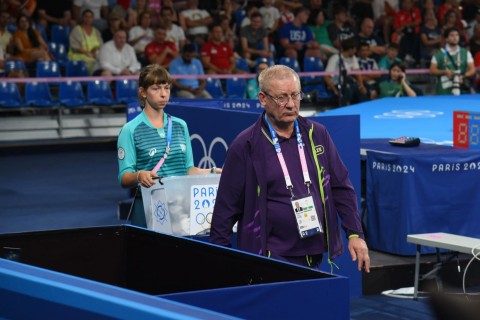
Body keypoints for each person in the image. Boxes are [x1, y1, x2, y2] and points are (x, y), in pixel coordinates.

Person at [210, 65, 370, 271]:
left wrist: (355, 234)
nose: (291, 104)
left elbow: (341, 188)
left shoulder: (316, 134)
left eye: (295, 95)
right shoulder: (246, 145)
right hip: (268, 257)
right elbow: (226, 208)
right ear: (263, 99)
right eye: (281, 97)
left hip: (312, 252)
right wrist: (219, 260)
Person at [117, 64, 221, 227]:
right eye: (156, 88)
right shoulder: (130, 130)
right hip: (147, 208)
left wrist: (212, 172)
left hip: (179, 209)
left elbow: (188, 170)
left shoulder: (181, 125)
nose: (163, 94)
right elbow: (124, 177)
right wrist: (139, 176)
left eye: (166, 88)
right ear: (143, 92)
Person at [430, 27, 476, 95]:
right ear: (446, 38)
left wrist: (463, 75)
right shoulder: (439, 54)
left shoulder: (465, 53)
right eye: (452, 35)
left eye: (457, 35)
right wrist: (445, 72)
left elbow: (472, 69)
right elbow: (432, 70)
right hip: (444, 89)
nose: (455, 37)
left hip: (461, 86)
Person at [68, 9, 103, 74]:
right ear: (82, 18)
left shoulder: (96, 31)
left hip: (94, 55)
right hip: (79, 55)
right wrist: (88, 53)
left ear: (93, 19)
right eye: (86, 16)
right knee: (92, 62)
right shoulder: (76, 30)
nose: (88, 19)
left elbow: (101, 46)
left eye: (90, 17)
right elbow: (75, 47)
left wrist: (96, 51)